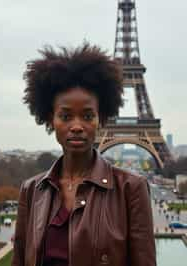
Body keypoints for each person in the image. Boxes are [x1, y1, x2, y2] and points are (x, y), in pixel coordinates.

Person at [12, 43, 156, 266]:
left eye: (88, 116)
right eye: (66, 116)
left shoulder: (132, 189)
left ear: (102, 119)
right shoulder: (30, 191)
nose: (77, 126)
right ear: (51, 120)